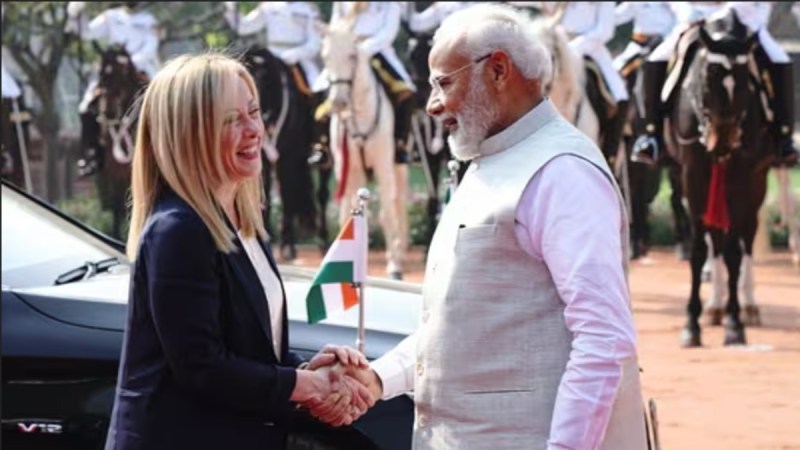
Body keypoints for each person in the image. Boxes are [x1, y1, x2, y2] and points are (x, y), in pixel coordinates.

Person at [314, 4, 648, 448]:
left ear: (498, 70)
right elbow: (464, 328)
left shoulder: (563, 172)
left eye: (444, 83)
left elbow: (603, 338)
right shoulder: (490, 158)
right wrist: (377, 379)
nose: (432, 105)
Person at [103, 52, 374, 450]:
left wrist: (310, 371)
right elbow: (203, 368)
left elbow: (245, 346)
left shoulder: (243, 219)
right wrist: (307, 385)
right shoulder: (178, 229)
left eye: (253, 113)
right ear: (190, 135)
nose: (253, 130)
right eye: (231, 120)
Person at [65, 1, 161, 173]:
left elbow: (151, 45)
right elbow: (86, 33)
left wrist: (131, 63)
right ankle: (92, 155)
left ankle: (162, 153)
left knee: (163, 103)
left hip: (141, 67)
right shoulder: (110, 17)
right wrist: (76, 14)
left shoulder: (149, 20)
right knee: (86, 107)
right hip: (113, 68)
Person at [328, 1, 417, 164]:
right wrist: (346, 47)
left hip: (378, 52)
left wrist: (363, 50)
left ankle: (399, 143)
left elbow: (388, 32)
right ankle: (322, 144)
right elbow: (335, 26)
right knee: (322, 88)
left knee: (405, 91)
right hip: (346, 54)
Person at [612, 2, 677, 75]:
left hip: (666, 42)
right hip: (640, 45)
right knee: (617, 68)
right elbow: (616, 17)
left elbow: (682, 16)